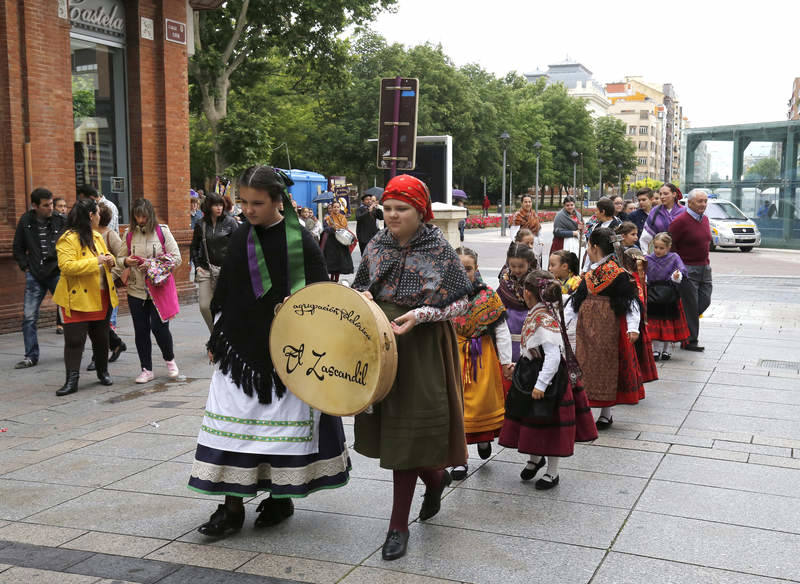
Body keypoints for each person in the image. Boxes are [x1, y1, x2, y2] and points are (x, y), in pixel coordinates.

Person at [188, 165, 350, 539]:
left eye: (256, 203)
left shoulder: (302, 241)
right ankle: (230, 509)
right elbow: (227, 289)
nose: (247, 210)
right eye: (243, 202)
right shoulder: (243, 234)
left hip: (289, 354)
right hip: (240, 349)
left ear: (279, 201)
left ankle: (281, 497)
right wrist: (218, 339)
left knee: (278, 432)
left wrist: (303, 302)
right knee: (232, 428)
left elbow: (322, 295)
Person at [352, 174, 471, 562]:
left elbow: (463, 301)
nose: (391, 216)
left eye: (400, 209)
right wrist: (363, 296)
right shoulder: (377, 244)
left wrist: (421, 314)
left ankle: (397, 527)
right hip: (380, 345)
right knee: (394, 431)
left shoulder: (438, 247)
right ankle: (434, 480)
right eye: (387, 209)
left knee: (409, 432)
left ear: (421, 211)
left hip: (421, 343)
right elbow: (359, 288)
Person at [499, 270, 597, 488]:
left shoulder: (544, 319)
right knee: (531, 419)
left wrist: (541, 384)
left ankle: (553, 472)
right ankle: (535, 459)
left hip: (548, 378)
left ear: (528, 293)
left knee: (551, 424)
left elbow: (552, 355)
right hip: (532, 370)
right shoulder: (539, 313)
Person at [565, 228, 644, 430]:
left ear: (595, 247)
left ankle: (606, 412)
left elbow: (630, 302)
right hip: (587, 326)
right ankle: (587, 408)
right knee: (586, 365)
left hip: (607, 325)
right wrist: (565, 323)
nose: (588, 250)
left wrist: (633, 327)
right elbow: (577, 300)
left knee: (606, 365)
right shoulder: (593, 271)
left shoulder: (616, 273)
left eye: (589, 246)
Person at [450, 247, 512, 480]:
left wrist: (506, 361)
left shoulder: (488, 296)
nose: (463, 272)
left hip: (481, 355)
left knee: (481, 404)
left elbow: (502, 330)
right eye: (459, 268)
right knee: (455, 407)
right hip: (453, 353)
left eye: (468, 268)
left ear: (475, 269)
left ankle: (484, 438)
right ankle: (459, 459)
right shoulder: (442, 294)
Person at [52, 199, 118, 395]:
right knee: (74, 341)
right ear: (91, 215)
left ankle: (102, 371)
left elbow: (107, 255)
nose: (99, 217)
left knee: (101, 338)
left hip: (101, 295)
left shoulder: (97, 236)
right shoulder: (68, 238)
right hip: (77, 298)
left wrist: (110, 259)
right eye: (97, 213)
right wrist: (96, 261)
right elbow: (66, 266)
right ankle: (72, 380)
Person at [122, 198, 182, 383]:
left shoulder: (162, 232)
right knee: (141, 331)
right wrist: (126, 262)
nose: (140, 220)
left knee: (159, 328)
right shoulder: (129, 234)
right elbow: (120, 257)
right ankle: (146, 369)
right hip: (136, 289)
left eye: (143, 216)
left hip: (159, 289)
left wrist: (152, 264)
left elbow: (177, 258)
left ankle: (169, 359)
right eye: (137, 216)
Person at [12, 188, 65, 369]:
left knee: (73, 313)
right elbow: (17, 247)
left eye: (51, 204)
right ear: (35, 206)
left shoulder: (61, 220)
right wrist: (25, 266)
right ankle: (30, 356)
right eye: (46, 205)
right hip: (34, 275)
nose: (50, 208)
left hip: (57, 273)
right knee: (29, 317)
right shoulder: (26, 221)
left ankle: (77, 350)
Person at [669, 189, 712, 352]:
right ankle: (690, 340)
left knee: (705, 300)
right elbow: (671, 246)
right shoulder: (679, 222)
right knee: (691, 304)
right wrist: (677, 267)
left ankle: (681, 323)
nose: (703, 204)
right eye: (700, 201)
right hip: (687, 268)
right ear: (690, 203)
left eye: (705, 201)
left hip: (705, 267)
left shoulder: (705, 220)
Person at [85, 203, 127, 370]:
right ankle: (116, 343)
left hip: (105, 287)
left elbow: (122, 258)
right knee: (92, 323)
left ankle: (98, 357)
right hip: (89, 287)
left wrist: (111, 274)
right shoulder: (87, 235)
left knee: (101, 324)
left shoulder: (110, 235)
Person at [190, 192, 240, 332]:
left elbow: (239, 246)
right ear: (208, 206)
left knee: (226, 306)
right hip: (206, 269)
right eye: (215, 205)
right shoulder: (201, 224)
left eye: (221, 205)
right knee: (205, 306)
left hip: (226, 270)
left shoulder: (230, 222)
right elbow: (194, 247)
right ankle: (215, 336)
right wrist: (197, 266)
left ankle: (224, 338)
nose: (219, 208)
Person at [646, 232, 689, 361]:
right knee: (654, 321)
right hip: (653, 293)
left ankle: (666, 350)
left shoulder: (674, 257)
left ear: (668, 247)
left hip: (669, 293)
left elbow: (681, 270)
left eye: (661, 248)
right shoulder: (648, 259)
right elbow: (645, 274)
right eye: (656, 247)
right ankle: (655, 349)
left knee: (668, 321)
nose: (658, 250)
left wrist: (676, 276)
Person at [497, 243, 538, 364]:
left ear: (529, 263)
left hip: (532, 327)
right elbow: (497, 305)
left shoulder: (536, 282)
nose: (517, 270)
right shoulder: (504, 283)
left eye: (521, 266)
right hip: (508, 330)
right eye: (513, 266)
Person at [640, 183, 685, 250]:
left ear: (674, 194)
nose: (662, 197)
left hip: (682, 253)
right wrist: (646, 254)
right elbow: (645, 237)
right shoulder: (655, 211)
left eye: (665, 194)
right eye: (660, 194)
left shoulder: (684, 211)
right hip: (660, 254)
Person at [321, 201, 354, 282]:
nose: (336, 209)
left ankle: (336, 279)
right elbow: (325, 229)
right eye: (334, 207)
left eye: (338, 207)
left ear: (340, 208)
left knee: (340, 261)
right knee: (332, 261)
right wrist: (332, 228)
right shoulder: (327, 218)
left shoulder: (343, 218)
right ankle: (331, 279)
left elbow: (346, 228)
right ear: (331, 208)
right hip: (331, 242)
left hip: (341, 241)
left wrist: (341, 229)